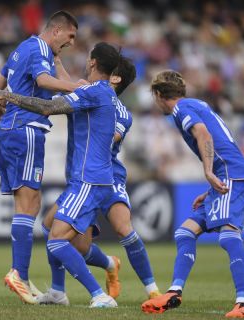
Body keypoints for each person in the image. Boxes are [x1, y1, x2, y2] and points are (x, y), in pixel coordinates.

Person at [0, 42, 122, 308]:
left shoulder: (95, 93)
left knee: (56, 241)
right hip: (86, 179)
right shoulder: (99, 92)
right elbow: (71, 88)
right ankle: (59, 291)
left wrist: (9, 96)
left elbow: (48, 107)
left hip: (89, 180)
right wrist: (57, 61)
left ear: (92, 63)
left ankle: (99, 295)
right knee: (49, 225)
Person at [37, 57, 161, 306]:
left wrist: (84, 101)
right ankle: (99, 268)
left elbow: (107, 138)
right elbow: (69, 87)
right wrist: (58, 60)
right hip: (81, 177)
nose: (92, 66)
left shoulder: (120, 112)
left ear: (114, 78)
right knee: (72, 242)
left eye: (101, 66)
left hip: (108, 176)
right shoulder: (90, 93)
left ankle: (154, 292)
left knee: (123, 228)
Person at [141, 70, 244, 318]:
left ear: (160, 95)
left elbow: (203, 133)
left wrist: (207, 172)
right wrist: (209, 190)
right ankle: (174, 292)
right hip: (227, 175)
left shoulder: (181, 110)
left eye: (154, 97)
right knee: (185, 232)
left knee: (228, 236)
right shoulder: (194, 104)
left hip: (232, 176)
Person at [0, 10, 82, 304]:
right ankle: (19, 273)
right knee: (29, 202)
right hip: (26, 131)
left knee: (29, 202)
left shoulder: (21, 49)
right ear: (56, 31)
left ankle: (22, 276)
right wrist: (77, 88)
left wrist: (4, 117)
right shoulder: (39, 48)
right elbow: (43, 80)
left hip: (9, 131)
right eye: (70, 36)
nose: (71, 42)